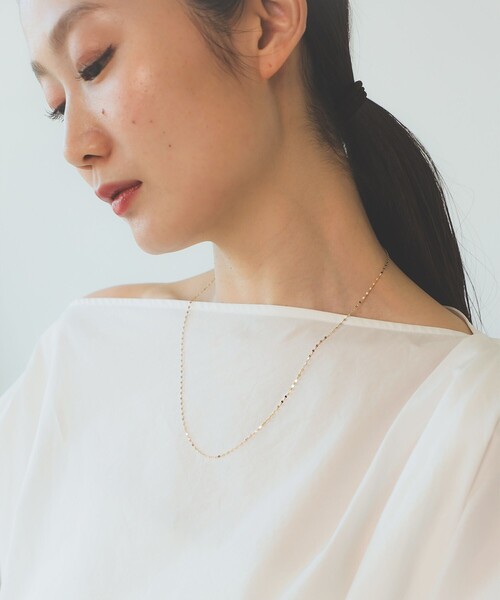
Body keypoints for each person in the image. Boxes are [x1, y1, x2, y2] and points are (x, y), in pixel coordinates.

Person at [0, 0, 498, 597]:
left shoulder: (469, 428)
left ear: (267, 24)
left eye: (94, 63)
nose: (74, 146)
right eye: (57, 105)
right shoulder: (81, 359)